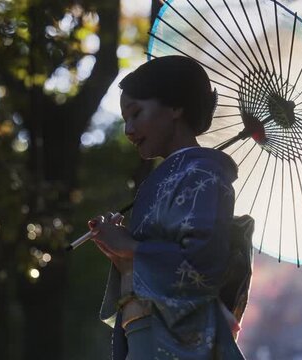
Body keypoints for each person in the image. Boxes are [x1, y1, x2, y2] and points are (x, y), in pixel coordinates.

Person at [89, 55, 250, 359]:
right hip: (145, 333)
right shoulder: (167, 179)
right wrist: (119, 250)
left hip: (178, 340)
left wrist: (132, 248)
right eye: (125, 119)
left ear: (176, 107)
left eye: (136, 114)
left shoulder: (203, 174)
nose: (128, 129)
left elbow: (203, 263)